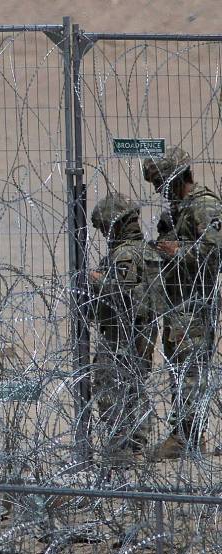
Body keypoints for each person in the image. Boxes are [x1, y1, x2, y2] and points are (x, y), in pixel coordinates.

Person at [142, 146, 222, 458]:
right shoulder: (177, 209)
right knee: (179, 371)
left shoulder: (203, 206)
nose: (160, 191)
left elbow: (215, 254)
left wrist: (179, 252)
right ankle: (184, 434)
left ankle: (187, 437)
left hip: (195, 306)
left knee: (189, 372)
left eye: (163, 183)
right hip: (176, 305)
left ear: (178, 178)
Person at [88, 192, 160, 460]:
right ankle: (136, 442)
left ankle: (120, 446)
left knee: (109, 385)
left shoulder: (125, 254)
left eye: (106, 227)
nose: (105, 234)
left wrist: (96, 280)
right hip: (143, 329)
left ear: (116, 224)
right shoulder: (146, 250)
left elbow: (122, 288)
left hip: (122, 331)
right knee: (134, 385)